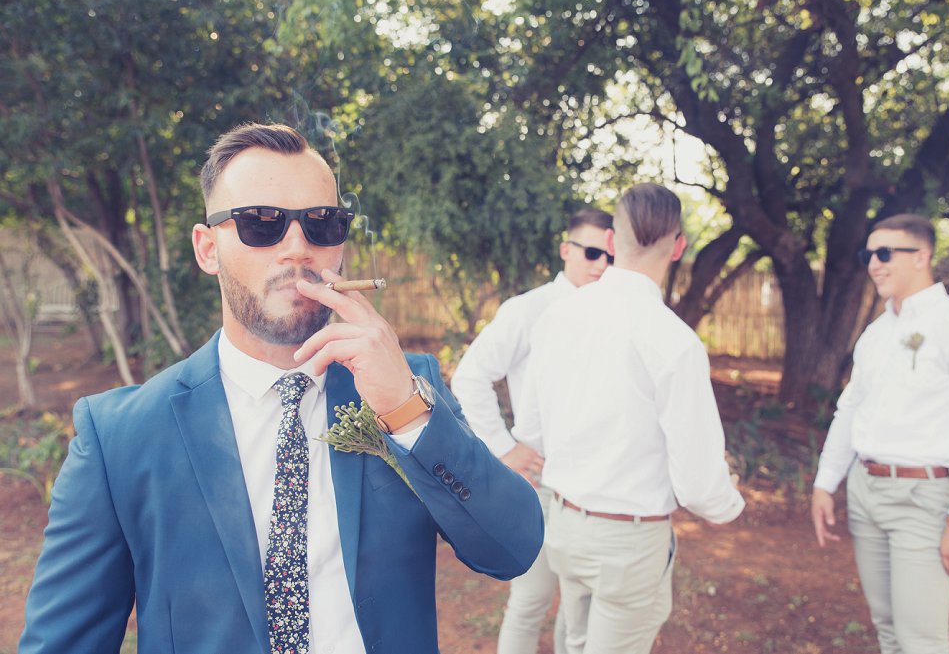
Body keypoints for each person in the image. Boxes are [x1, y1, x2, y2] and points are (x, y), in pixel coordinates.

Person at [20, 122, 544, 654]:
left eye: (322, 224)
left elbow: (512, 548)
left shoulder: (408, 388)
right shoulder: (119, 437)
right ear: (207, 248)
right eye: (261, 223)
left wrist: (406, 412)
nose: (298, 248)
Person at [513, 182, 745, 654]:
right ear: (678, 247)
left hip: (564, 524)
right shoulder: (675, 341)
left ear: (612, 241)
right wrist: (728, 503)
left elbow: (532, 431)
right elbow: (698, 484)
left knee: (574, 644)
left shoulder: (556, 318)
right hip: (628, 541)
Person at [810, 213, 949, 654]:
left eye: (884, 254)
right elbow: (850, 410)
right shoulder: (876, 334)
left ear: (922, 256)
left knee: (921, 640)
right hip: (866, 492)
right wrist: (826, 483)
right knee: (888, 630)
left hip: (923, 500)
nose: (874, 264)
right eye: (868, 255)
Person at [451, 207, 614, 654]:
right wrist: (504, 448)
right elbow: (470, 377)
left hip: (594, 487)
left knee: (579, 606)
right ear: (566, 250)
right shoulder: (529, 310)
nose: (602, 264)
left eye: (611, 256)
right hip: (540, 483)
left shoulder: (614, 314)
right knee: (531, 600)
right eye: (592, 252)